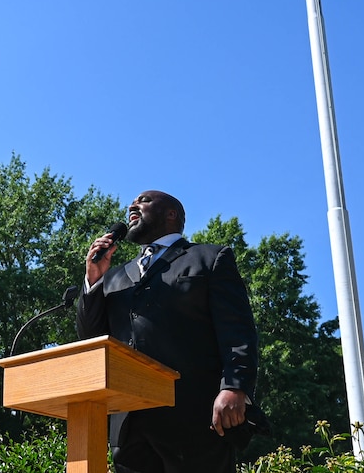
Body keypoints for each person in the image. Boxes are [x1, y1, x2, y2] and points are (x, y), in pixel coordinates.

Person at [76, 190, 259, 473]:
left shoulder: (208, 258)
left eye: (144, 200)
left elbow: (237, 330)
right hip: (129, 429)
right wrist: (93, 280)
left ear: (171, 213)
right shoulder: (113, 277)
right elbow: (92, 339)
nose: (132, 205)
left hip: (195, 417)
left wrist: (235, 387)